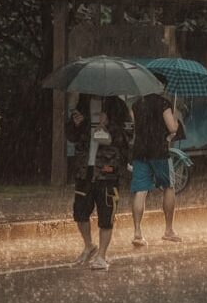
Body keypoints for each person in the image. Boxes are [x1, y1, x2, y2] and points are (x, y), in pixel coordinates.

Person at [66, 95, 130, 271]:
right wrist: (76, 124)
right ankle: (89, 246)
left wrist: (109, 125)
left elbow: (127, 137)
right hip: (84, 169)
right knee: (80, 212)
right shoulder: (82, 103)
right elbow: (71, 136)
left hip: (108, 170)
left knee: (106, 215)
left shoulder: (117, 105)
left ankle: (102, 255)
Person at [130, 86, 182, 246]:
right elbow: (172, 128)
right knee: (169, 187)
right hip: (159, 152)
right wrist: (176, 119)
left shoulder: (137, 104)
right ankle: (169, 230)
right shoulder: (163, 103)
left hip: (140, 151)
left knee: (141, 190)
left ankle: (137, 233)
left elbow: (136, 128)